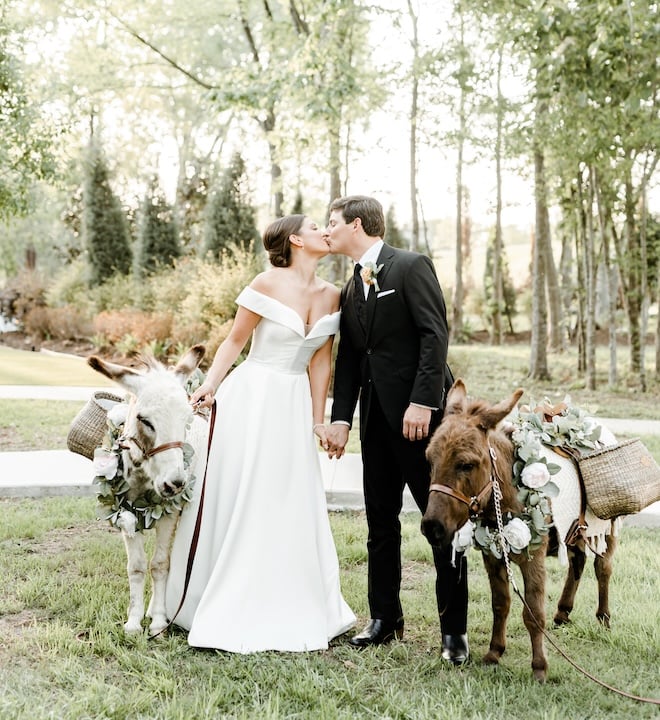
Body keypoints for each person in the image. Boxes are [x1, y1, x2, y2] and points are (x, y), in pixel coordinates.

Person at [165, 214, 355, 653]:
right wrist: (210, 385)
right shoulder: (266, 283)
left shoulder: (332, 295)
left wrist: (317, 420)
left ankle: (289, 592)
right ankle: (221, 591)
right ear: (295, 240)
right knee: (245, 491)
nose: (323, 231)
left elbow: (321, 361)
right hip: (253, 398)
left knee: (289, 494)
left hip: (292, 405)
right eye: (314, 227)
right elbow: (234, 341)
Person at [324, 195, 469, 664]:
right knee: (379, 522)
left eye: (333, 223)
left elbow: (434, 335)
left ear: (359, 225)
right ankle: (385, 619)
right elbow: (350, 358)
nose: (328, 231)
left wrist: (423, 402)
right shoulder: (350, 286)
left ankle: (454, 634)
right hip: (376, 425)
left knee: (441, 523)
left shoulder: (410, 266)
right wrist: (342, 419)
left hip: (421, 422)